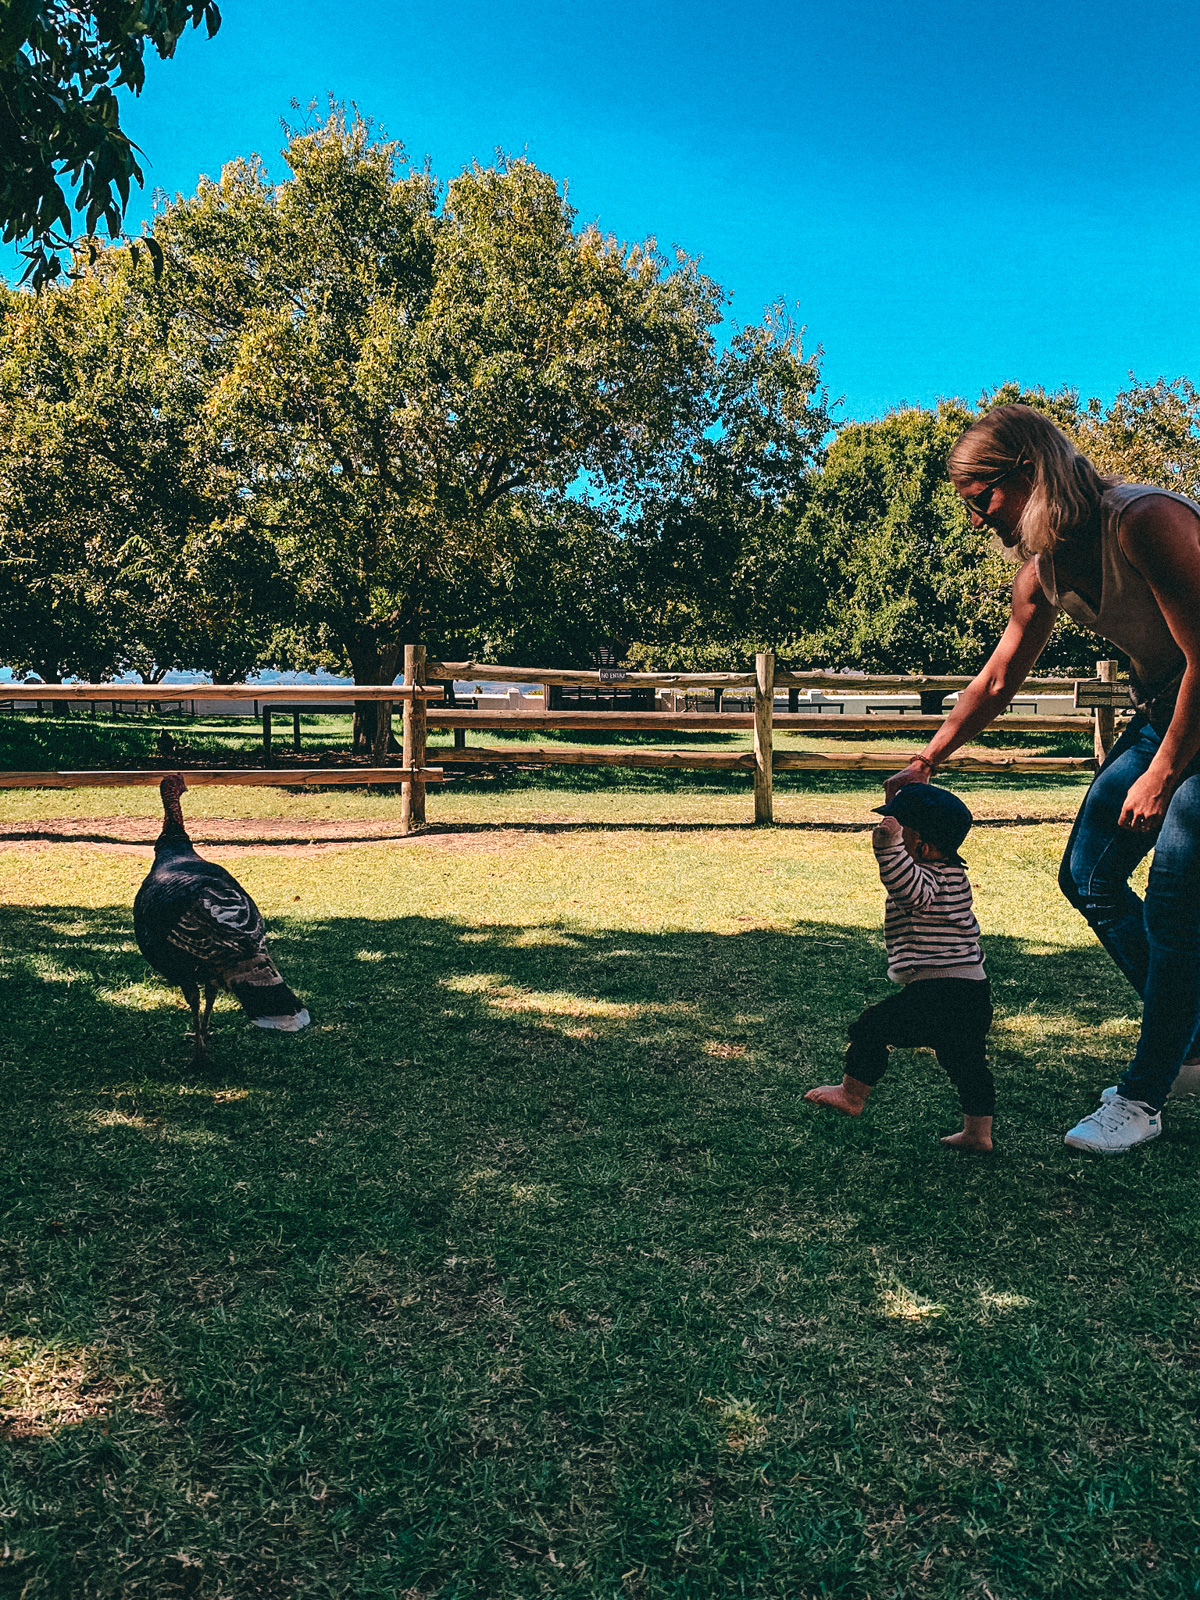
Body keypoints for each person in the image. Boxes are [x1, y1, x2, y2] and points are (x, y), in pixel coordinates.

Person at [884, 403, 1200, 1156]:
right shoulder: (1044, 571)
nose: (975, 521)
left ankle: (1145, 1094)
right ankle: (1188, 1038)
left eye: (981, 498)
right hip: (1167, 710)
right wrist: (930, 757)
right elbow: (997, 680)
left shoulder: (1145, 522)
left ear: (1029, 472)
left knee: (1176, 896)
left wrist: (1161, 772)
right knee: (1088, 873)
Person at [805, 783, 995, 1150]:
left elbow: (907, 888)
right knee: (967, 1063)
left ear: (922, 846)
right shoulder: (952, 874)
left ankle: (851, 1095)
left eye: (900, 829)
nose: (890, 829)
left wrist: (886, 847)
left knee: (871, 1028)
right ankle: (978, 1133)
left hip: (940, 991)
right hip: (972, 989)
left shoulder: (929, 879)